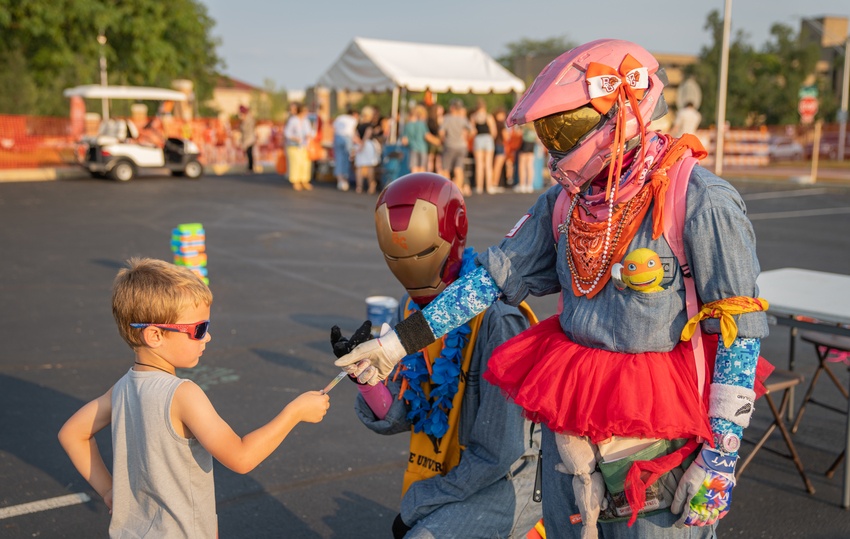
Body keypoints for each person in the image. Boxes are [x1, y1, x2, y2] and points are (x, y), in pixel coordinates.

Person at [334, 39, 771, 539]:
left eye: (563, 127)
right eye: (547, 130)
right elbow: (487, 283)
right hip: (569, 445)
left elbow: (738, 329)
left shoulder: (700, 201)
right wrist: (396, 345)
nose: (553, 146)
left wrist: (720, 458)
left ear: (624, 113)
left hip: (659, 456)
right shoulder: (562, 205)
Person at [332, 173, 541, 539]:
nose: (409, 267)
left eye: (421, 254)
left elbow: (501, 451)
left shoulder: (499, 320)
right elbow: (405, 414)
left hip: (512, 478)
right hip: (458, 469)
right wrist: (367, 380)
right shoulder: (411, 311)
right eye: (396, 257)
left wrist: (423, 501)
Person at [58, 257, 329, 538]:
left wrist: (108, 490)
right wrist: (294, 413)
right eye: (199, 329)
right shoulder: (183, 394)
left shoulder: (122, 388)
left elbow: (72, 433)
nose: (208, 337)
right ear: (155, 335)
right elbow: (241, 457)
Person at [440, 99, 471, 196]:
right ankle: (458, 191)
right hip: (462, 146)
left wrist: (443, 140)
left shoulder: (447, 118)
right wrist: (466, 138)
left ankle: (447, 191)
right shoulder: (463, 119)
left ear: (452, 108)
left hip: (450, 145)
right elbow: (472, 130)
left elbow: (441, 132)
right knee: (459, 168)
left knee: (446, 169)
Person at [469, 99, 498, 194]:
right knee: (488, 164)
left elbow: (472, 131)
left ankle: (479, 187)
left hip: (478, 139)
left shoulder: (473, 117)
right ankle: (489, 187)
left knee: (479, 165)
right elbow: (494, 131)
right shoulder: (488, 116)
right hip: (488, 139)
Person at [284, 102, 315, 191]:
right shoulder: (293, 120)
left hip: (304, 145)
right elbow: (287, 133)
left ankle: (304, 180)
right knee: (295, 163)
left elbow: (310, 131)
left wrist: (309, 135)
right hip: (294, 146)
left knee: (305, 164)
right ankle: (296, 181)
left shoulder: (306, 121)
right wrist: (294, 138)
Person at [353, 106, 381, 194]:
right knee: (369, 166)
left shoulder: (359, 124)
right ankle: (371, 186)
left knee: (359, 167)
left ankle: (359, 187)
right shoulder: (370, 125)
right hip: (368, 145)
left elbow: (355, 136)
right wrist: (363, 144)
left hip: (359, 145)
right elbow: (367, 135)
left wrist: (359, 144)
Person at [332, 108, 359, 191]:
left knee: (339, 159)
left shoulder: (340, 117)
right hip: (347, 138)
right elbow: (354, 133)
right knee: (347, 158)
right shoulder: (353, 120)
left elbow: (334, 128)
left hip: (337, 137)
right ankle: (345, 180)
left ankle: (340, 181)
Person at [401, 105, 429, 174]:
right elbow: (427, 136)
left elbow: (404, 141)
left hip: (413, 148)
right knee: (422, 168)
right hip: (423, 149)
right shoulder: (422, 124)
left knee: (414, 169)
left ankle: (415, 184)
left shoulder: (408, 125)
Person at [515, 123, 537, 193]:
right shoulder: (534, 126)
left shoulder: (524, 125)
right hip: (532, 144)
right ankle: (529, 185)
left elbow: (518, 134)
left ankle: (522, 184)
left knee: (522, 165)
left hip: (524, 143)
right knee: (530, 165)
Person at [239, 105, 257, 173]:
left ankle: (250, 167)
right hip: (247, 139)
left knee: (249, 153)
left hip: (250, 138)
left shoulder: (249, 119)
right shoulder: (246, 119)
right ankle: (249, 166)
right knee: (248, 153)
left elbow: (246, 129)